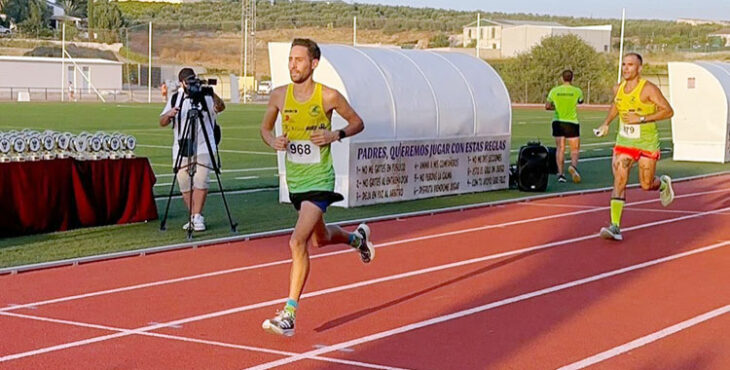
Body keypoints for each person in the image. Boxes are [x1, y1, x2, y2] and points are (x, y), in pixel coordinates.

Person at [259, 38, 374, 337]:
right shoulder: (279, 96)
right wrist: (274, 141)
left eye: (299, 60)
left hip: (320, 181)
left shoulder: (329, 97)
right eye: (290, 59)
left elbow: (357, 122)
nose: (293, 65)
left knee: (297, 242)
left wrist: (335, 134)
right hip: (296, 181)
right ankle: (357, 240)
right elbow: (265, 128)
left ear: (313, 63)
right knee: (319, 240)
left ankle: (289, 314)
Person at [594, 53, 675, 241]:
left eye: (630, 65)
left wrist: (642, 119)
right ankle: (615, 226)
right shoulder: (618, 88)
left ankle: (662, 184)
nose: (625, 68)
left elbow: (668, 111)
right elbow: (617, 106)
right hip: (624, 143)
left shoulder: (648, 89)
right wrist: (606, 123)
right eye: (623, 64)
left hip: (647, 143)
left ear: (639, 68)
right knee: (620, 178)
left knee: (646, 185)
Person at [159, 68, 225, 232]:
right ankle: (193, 215)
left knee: (201, 180)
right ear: (182, 83)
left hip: (204, 144)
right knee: (184, 183)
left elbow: (221, 107)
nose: (191, 84)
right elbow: (162, 121)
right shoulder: (176, 97)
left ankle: (197, 216)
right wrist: (170, 114)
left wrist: (209, 92)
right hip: (183, 146)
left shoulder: (206, 96)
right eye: (188, 81)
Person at [546, 69, 583, 183]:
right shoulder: (577, 91)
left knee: (560, 148)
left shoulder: (555, 91)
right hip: (571, 122)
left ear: (562, 78)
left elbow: (547, 106)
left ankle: (561, 174)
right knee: (575, 149)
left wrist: (555, 108)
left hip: (558, 121)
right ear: (572, 78)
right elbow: (580, 101)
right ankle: (573, 167)